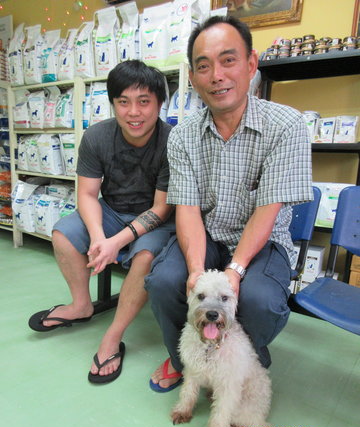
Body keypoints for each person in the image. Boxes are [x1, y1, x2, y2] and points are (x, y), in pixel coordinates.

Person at [145, 15, 313, 392]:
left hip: (262, 240)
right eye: (203, 66)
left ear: (251, 64)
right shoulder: (183, 135)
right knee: (164, 282)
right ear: (193, 76)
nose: (216, 75)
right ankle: (187, 360)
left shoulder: (286, 126)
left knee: (260, 301)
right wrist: (194, 271)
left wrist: (234, 272)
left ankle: (243, 361)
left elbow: (267, 212)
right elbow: (187, 209)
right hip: (207, 236)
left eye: (228, 60)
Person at [28, 60, 175, 384]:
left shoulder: (171, 142)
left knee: (146, 258)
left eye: (143, 101)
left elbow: (162, 209)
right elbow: (87, 194)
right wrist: (98, 237)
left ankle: (113, 336)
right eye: (123, 102)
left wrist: (116, 242)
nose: (133, 112)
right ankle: (81, 305)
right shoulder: (97, 136)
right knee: (63, 233)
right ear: (113, 103)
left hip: (154, 218)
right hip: (111, 210)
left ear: (159, 103)